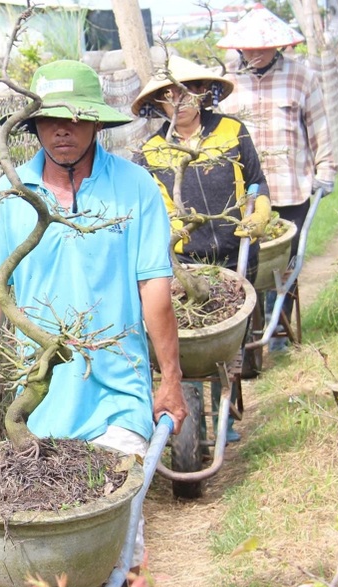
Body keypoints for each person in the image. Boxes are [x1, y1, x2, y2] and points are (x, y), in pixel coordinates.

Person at [0, 59, 186, 587]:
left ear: (96, 126)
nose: (64, 131)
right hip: (42, 404)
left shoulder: (134, 190)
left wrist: (169, 378)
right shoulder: (12, 199)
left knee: (115, 550)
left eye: (77, 120)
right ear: (35, 126)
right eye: (52, 119)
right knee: (27, 548)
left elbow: (155, 290)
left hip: (115, 393)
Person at [131, 56, 271, 442]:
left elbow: (257, 182)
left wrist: (259, 211)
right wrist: (172, 232)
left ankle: (226, 411)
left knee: (229, 341)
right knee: (187, 340)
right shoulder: (152, 151)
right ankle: (194, 417)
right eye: (170, 94)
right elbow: (152, 204)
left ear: (203, 95)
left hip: (235, 248)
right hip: (185, 259)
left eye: (189, 91)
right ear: (158, 103)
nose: (181, 100)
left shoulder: (231, 130)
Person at [216, 4, 338, 352]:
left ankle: (278, 330)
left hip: (289, 186)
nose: (254, 52)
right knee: (245, 264)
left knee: (284, 265)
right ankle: (244, 334)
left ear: (278, 46)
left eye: (262, 46)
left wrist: (326, 170)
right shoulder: (228, 82)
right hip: (245, 193)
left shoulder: (301, 76)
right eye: (248, 47)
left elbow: (319, 127)